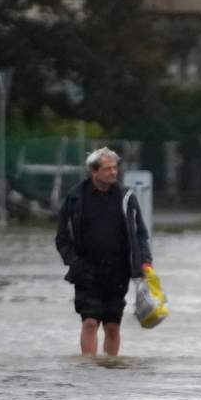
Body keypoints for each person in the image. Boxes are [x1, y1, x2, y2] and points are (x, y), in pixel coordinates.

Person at [55, 147, 152, 357]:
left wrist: (144, 261)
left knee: (112, 326)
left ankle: (110, 365)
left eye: (115, 168)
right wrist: (75, 263)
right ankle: (89, 366)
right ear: (94, 171)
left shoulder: (127, 197)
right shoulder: (75, 199)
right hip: (86, 271)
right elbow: (62, 239)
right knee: (90, 322)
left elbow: (141, 234)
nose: (113, 172)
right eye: (107, 169)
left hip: (118, 272)